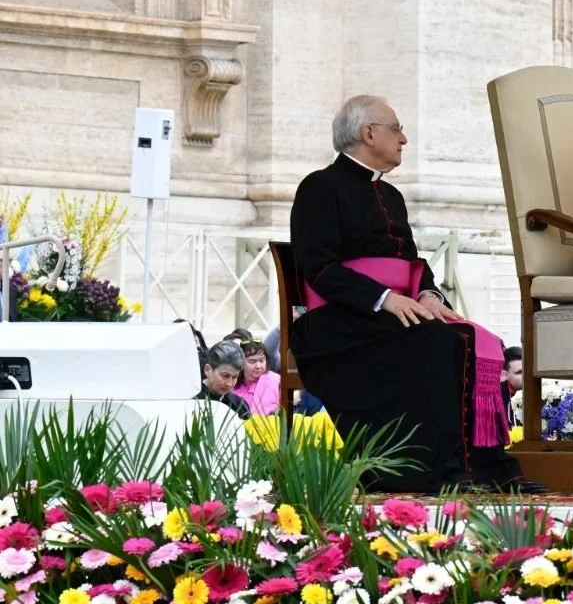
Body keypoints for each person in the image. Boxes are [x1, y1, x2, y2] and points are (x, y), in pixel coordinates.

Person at [289, 95, 539, 494]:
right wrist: (383, 297)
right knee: (444, 343)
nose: (404, 139)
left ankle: (488, 468)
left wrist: (428, 295)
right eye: (396, 129)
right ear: (368, 133)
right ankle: (443, 470)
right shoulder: (319, 187)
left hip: (392, 315)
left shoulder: (392, 197)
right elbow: (319, 267)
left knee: (477, 340)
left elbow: (413, 263)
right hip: (339, 320)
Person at [195, 340, 251, 419]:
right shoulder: (190, 401)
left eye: (234, 377)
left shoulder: (240, 406)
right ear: (208, 370)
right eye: (225, 376)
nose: (229, 384)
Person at [233, 339, 282, 416]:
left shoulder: (276, 381)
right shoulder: (232, 383)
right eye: (252, 362)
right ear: (240, 362)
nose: (258, 366)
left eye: (262, 360)